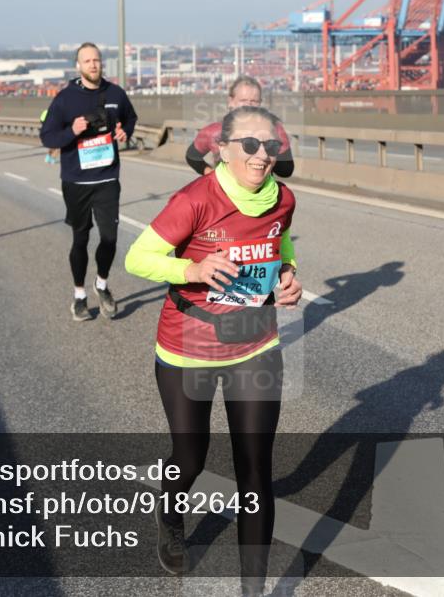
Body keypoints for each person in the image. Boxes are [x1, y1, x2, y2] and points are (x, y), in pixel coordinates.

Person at [124, 106, 302, 596]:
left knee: (255, 473)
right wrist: (194, 271)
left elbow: (278, 246)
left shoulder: (282, 200)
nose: (261, 155)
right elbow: (138, 257)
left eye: (270, 146)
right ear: (222, 149)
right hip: (188, 346)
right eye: (249, 144)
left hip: (255, 344)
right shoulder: (196, 199)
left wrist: (287, 277)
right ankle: (171, 519)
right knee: (190, 457)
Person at [41, 42, 137, 321]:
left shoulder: (115, 93)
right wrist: (71, 130)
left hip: (107, 177)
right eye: (87, 61)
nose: (93, 65)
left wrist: (124, 132)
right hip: (76, 181)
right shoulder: (65, 99)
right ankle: (80, 296)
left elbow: (130, 118)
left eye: (96, 60)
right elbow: (47, 137)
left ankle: (102, 285)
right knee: (80, 239)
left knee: (109, 237)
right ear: (78, 66)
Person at [186, 76, 294, 179]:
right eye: (243, 100)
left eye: (254, 101)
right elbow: (192, 156)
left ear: (260, 102)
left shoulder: (275, 130)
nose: (248, 105)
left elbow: (286, 170)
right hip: (222, 195)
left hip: (260, 194)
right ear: (231, 101)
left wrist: (269, 149)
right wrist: (210, 174)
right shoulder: (214, 131)